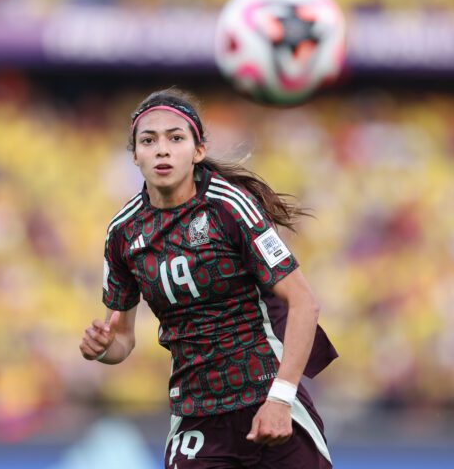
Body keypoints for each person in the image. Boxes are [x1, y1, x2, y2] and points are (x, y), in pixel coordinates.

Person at [80, 88, 338, 468]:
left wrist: (281, 399)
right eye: (148, 141)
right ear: (135, 155)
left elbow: (304, 302)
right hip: (197, 414)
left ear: (198, 150)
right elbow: (121, 338)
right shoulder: (123, 232)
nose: (162, 150)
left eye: (175, 138)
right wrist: (103, 348)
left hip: (266, 395)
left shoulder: (228, 206)